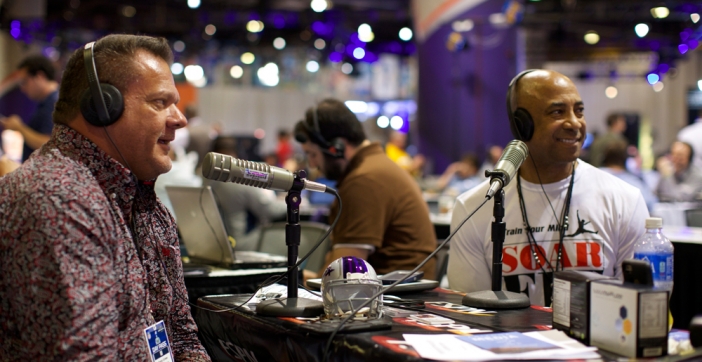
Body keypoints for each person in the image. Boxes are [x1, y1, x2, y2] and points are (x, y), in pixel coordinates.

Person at [0, 35, 210, 360]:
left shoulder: (145, 205)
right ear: (102, 107)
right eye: (160, 102)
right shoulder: (59, 199)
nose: (180, 119)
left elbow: (181, 338)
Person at [447, 70, 649, 306]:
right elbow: (472, 315)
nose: (574, 123)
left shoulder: (624, 199)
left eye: (579, 111)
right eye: (558, 112)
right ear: (522, 125)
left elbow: (638, 308)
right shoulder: (474, 208)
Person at [294, 99, 437, 279]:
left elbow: (342, 276)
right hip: (388, 293)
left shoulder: (363, 180)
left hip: (394, 298)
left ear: (336, 147)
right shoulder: (373, 167)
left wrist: (291, 281)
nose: (313, 164)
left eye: (313, 154)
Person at [204, 135, 287, 250]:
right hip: (240, 244)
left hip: (215, 243)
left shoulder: (204, 178)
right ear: (235, 155)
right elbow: (269, 210)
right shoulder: (238, 180)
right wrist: (294, 203)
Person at [0, 55, 59, 161]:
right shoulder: (50, 101)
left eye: (24, 82)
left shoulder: (53, 103)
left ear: (40, 76)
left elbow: (48, 144)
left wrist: (19, 127)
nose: (22, 89)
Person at [599, 139, 658, 211]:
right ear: (626, 160)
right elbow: (650, 204)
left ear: (604, 158)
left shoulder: (593, 177)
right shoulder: (634, 183)